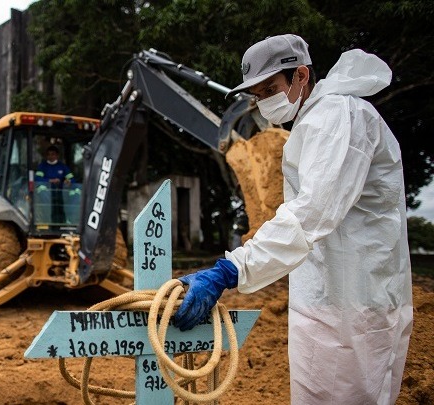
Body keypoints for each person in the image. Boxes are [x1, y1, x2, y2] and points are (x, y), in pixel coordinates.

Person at [173, 34, 413, 404]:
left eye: (270, 88)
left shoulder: (338, 117)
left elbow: (310, 213)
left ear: (301, 75)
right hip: (328, 293)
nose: (262, 101)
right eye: (256, 94)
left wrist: (230, 270)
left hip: (358, 300)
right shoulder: (314, 121)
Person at [35, 145, 74, 223]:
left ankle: (68, 221)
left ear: (57, 155)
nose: (50, 156)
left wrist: (68, 182)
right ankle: (47, 221)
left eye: (53, 154)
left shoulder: (62, 166)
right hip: (46, 196)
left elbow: (72, 178)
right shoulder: (42, 166)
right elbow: (38, 179)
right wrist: (50, 180)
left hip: (60, 194)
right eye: (48, 154)